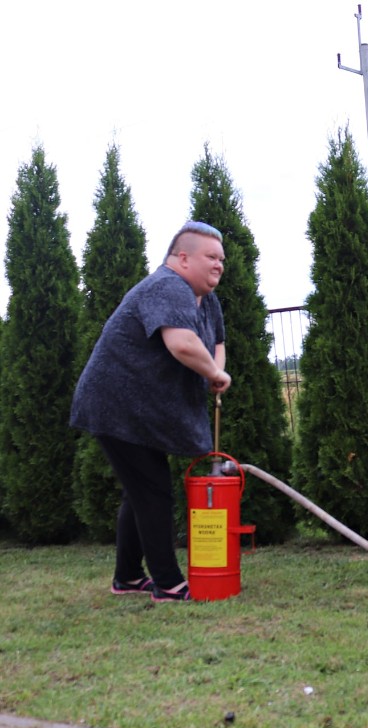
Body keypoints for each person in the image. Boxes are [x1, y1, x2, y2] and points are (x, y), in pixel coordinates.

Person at [71, 221, 231, 602]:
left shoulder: (205, 299)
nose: (219, 265)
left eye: (221, 259)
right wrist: (212, 370)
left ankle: (127, 578)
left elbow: (217, 341)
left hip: (137, 412)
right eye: (211, 257)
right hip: (116, 405)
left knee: (140, 491)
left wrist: (214, 370)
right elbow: (181, 344)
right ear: (182, 257)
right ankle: (169, 584)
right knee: (153, 492)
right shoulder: (166, 286)